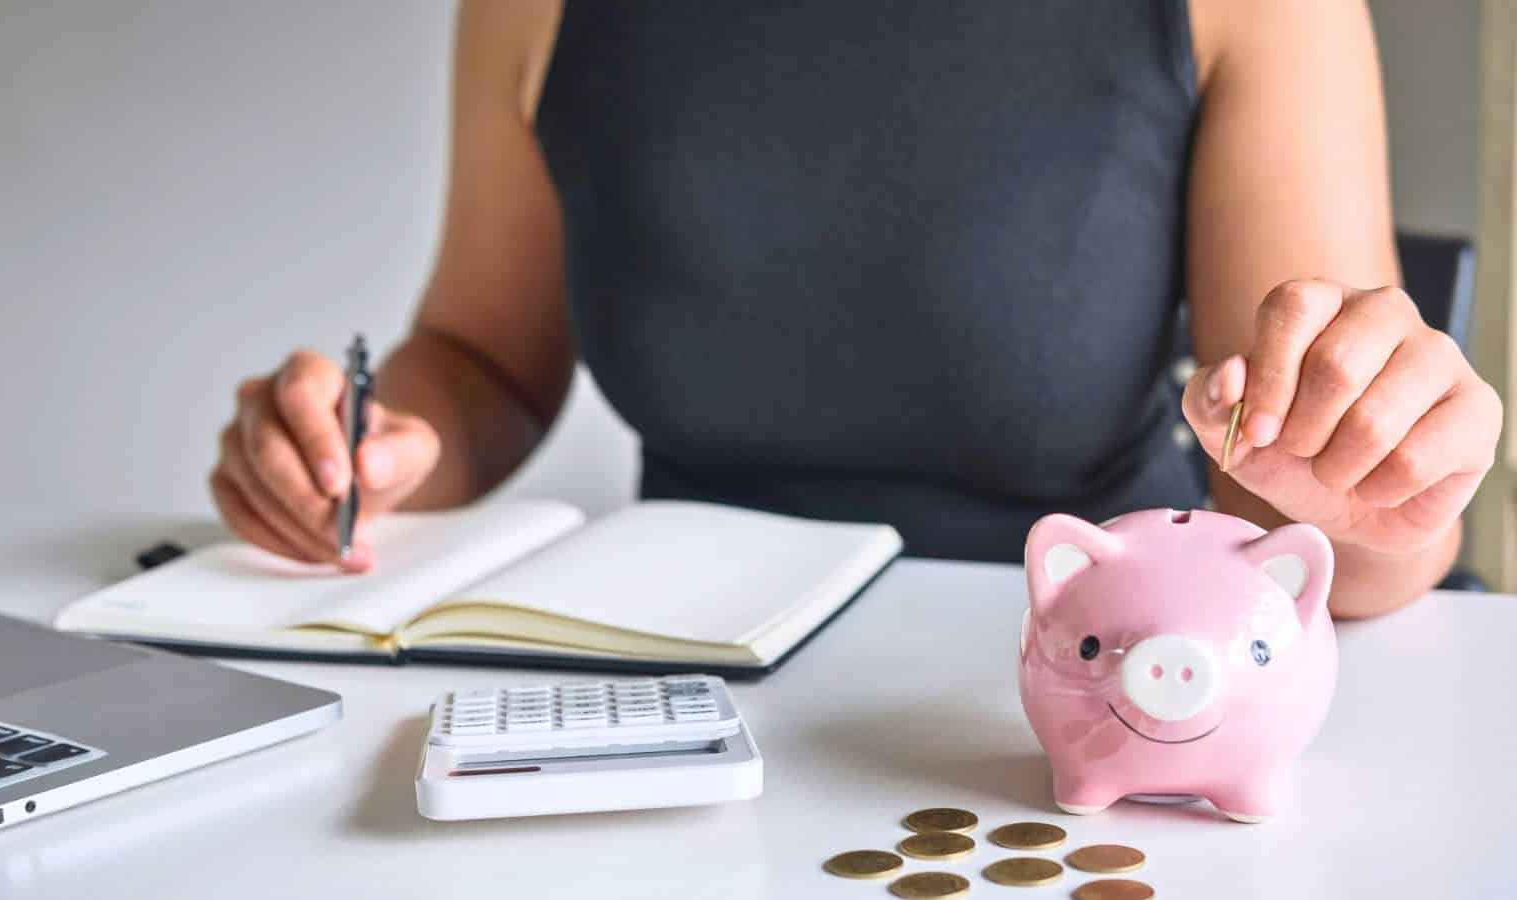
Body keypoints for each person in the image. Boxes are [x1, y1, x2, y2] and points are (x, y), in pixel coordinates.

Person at [210, 1, 1501, 619]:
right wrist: (365, 446)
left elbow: (1318, 517)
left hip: (1082, 687)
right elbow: (484, 362)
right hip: (677, 687)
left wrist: (1378, 496)